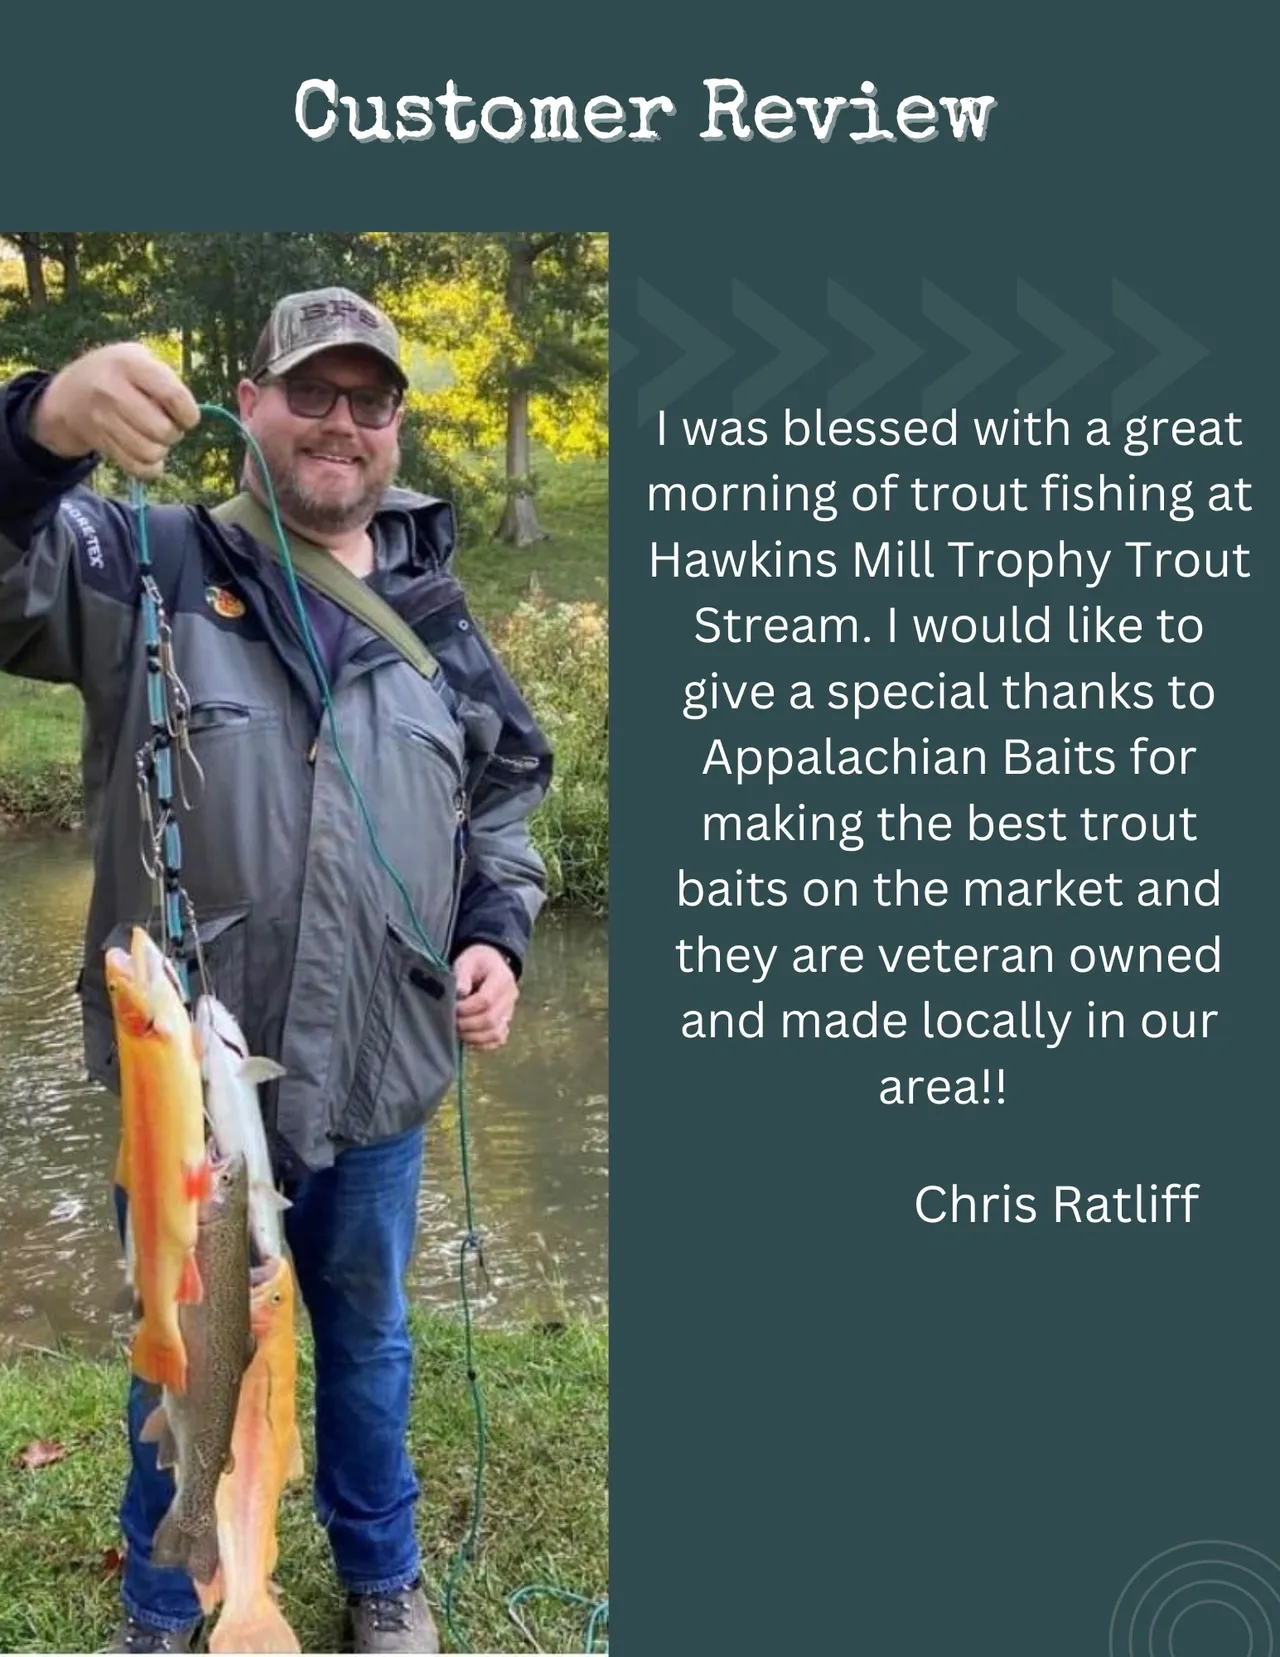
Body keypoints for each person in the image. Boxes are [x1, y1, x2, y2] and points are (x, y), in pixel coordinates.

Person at [0, 288, 553, 1653]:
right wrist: (36, 430)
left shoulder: (440, 615)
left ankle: (382, 1579)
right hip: (183, 1099)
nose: (341, 422)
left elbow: (506, 800)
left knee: (363, 1343)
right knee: (181, 1351)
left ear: (397, 429)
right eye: (312, 391)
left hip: (381, 1079)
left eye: (370, 400)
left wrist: (496, 931)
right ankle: (165, 1596)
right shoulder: (146, 563)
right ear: (249, 404)